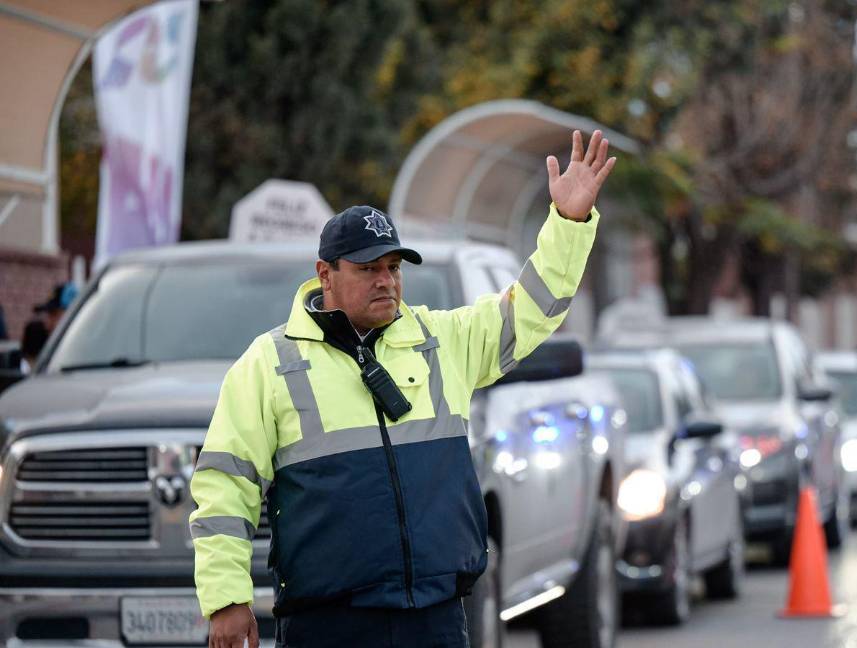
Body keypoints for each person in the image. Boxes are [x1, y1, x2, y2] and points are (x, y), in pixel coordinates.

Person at [190, 130, 616, 648]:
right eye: (368, 269)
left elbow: (534, 308)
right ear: (325, 274)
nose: (386, 281)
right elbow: (223, 489)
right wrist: (227, 599)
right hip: (327, 623)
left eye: (392, 268)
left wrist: (568, 223)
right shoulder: (269, 363)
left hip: (433, 616)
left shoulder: (444, 342)